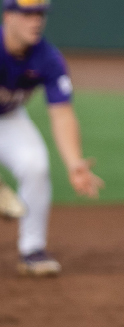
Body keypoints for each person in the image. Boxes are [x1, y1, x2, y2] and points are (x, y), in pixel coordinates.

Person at [1, 0, 103, 276]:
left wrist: (73, 162)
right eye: (27, 13)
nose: (35, 20)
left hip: (8, 118)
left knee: (35, 165)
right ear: (8, 16)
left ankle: (32, 251)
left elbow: (62, 114)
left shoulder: (46, 57)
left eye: (40, 14)